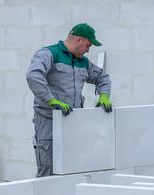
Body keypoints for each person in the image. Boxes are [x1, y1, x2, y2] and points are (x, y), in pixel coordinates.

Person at [26, 23, 112, 177]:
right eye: (88, 45)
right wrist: (51, 100)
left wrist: (104, 95)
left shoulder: (83, 62)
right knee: (48, 171)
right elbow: (33, 75)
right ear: (79, 40)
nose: (88, 50)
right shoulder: (49, 54)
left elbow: (102, 78)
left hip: (72, 124)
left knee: (71, 170)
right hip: (48, 123)